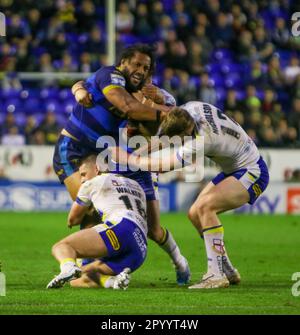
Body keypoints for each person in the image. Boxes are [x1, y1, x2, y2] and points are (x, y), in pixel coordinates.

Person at [52, 44, 190, 285]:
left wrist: (164, 111)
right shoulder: (112, 77)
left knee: (149, 228)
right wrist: (167, 113)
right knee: (93, 209)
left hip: (121, 159)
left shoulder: (147, 93)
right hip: (77, 150)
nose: (140, 70)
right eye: (136, 64)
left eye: (145, 68)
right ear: (124, 62)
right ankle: (89, 272)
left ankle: (90, 271)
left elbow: (154, 127)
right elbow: (125, 106)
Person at [112, 101, 269, 289]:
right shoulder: (190, 109)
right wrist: (136, 153)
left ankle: (216, 275)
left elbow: (165, 165)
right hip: (234, 169)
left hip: (252, 171)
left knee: (205, 207)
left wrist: (130, 160)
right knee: (194, 213)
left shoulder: (202, 140)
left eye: (182, 139)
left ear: (186, 132)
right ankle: (226, 268)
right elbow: (163, 138)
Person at [47, 155, 148, 289]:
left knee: (61, 247)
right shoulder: (136, 186)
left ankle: (68, 267)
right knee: (80, 278)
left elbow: (73, 219)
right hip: (140, 249)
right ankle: (114, 282)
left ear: (97, 168)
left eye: (83, 174)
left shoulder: (93, 182)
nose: (82, 180)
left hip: (121, 227)